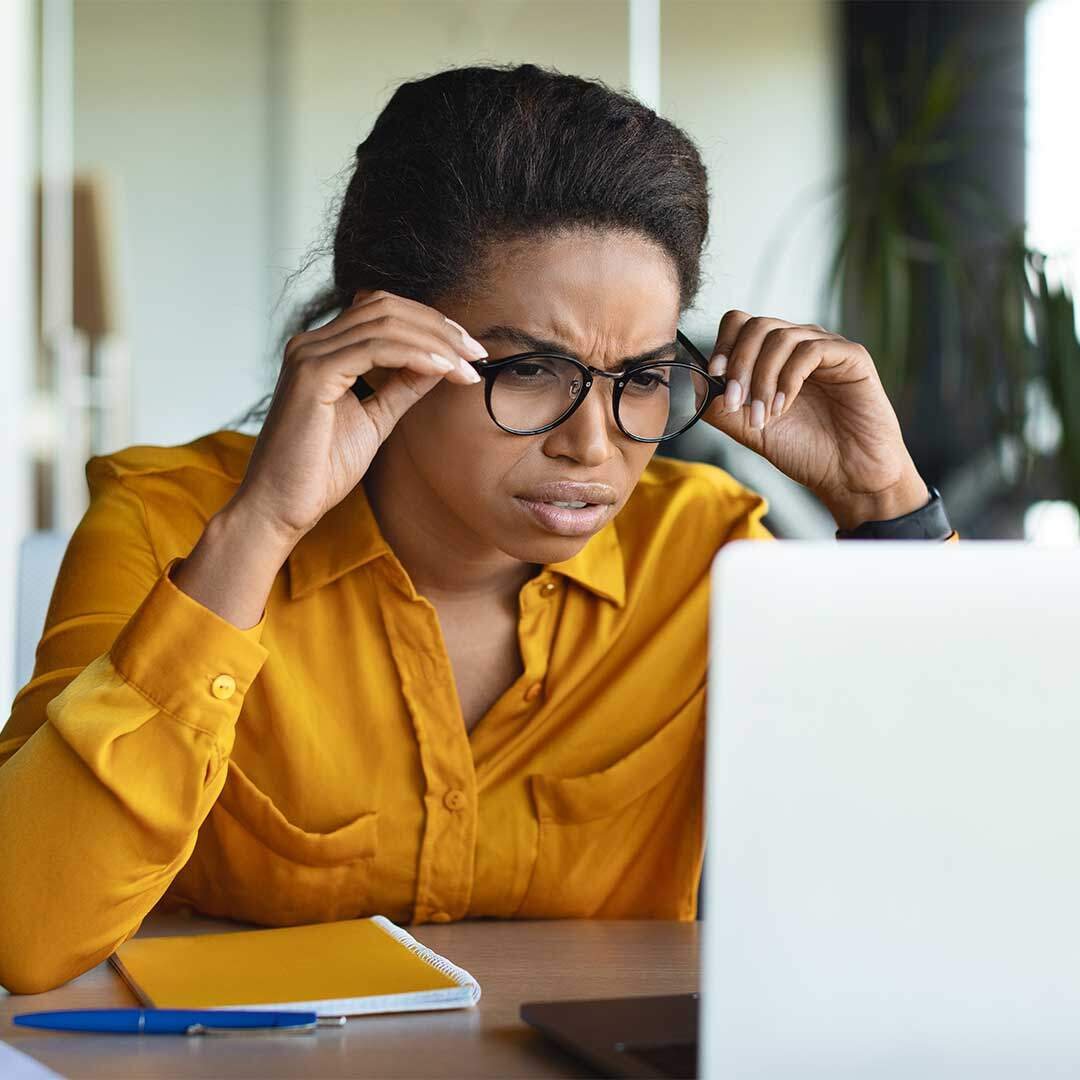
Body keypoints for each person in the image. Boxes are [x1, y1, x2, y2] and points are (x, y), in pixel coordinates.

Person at [0, 62, 956, 994]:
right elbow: (23, 934)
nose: (593, 444)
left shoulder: (707, 556)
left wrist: (887, 506)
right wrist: (262, 527)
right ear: (386, 341)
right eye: (532, 369)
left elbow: (943, 868)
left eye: (638, 377)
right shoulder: (167, 523)